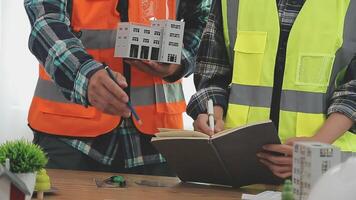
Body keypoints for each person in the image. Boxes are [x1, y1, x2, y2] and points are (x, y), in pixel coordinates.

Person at [24, 0, 211, 176]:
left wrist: (180, 59)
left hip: (159, 140)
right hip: (69, 137)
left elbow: (205, 18)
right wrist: (83, 73)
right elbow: (44, 22)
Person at [187, 0, 356, 178]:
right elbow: (212, 68)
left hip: (325, 169)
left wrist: (319, 144)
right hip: (239, 164)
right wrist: (212, 113)